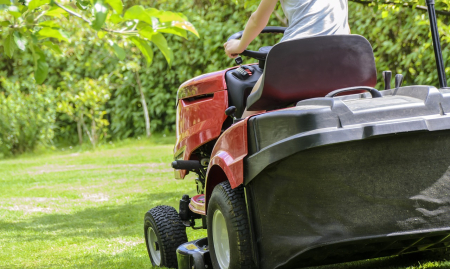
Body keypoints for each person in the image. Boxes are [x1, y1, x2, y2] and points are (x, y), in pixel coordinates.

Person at [224, 0, 351, 118]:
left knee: (253, 105)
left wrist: (240, 46)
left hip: (297, 57)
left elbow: (257, 20)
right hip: (344, 59)